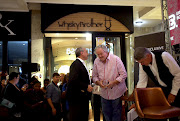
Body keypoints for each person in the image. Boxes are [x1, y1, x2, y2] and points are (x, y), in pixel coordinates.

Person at [132, 47, 180, 121]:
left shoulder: (164, 56)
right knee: (165, 114)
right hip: (163, 90)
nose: (141, 64)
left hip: (177, 87)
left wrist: (173, 93)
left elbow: (178, 74)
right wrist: (138, 101)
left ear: (148, 56)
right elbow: (142, 82)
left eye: (142, 61)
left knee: (175, 114)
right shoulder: (142, 65)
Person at [92, 45, 127, 121]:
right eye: (98, 54)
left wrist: (114, 82)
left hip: (116, 92)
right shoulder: (96, 61)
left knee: (116, 114)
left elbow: (123, 74)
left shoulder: (116, 59)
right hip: (104, 93)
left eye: (101, 53)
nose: (100, 56)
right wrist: (98, 82)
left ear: (106, 51)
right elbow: (94, 76)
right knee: (106, 114)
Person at [66, 47, 93, 121]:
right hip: (77, 98)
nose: (87, 54)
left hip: (81, 97)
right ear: (81, 53)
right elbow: (73, 80)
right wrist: (86, 86)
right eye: (86, 52)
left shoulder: (80, 64)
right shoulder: (76, 64)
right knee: (78, 117)